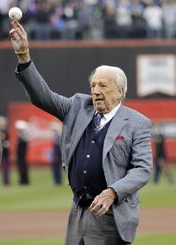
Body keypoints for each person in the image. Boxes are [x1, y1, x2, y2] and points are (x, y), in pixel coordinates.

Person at [9, 21, 153, 245]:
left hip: (111, 213)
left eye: (103, 86)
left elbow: (143, 169)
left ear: (120, 92)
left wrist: (113, 191)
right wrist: (24, 55)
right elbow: (42, 97)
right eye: (93, 85)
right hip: (78, 212)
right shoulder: (77, 107)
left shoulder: (137, 123)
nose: (96, 91)